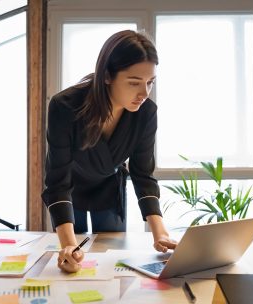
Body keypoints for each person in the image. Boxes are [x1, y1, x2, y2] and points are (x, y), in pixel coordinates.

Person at [41, 29, 177, 273]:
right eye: (134, 82)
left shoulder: (146, 113)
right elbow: (57, 181)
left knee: (110, 262)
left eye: (150, 82)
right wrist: (69, 249)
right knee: (74, 258)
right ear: (106, 76)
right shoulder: (64, 106)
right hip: (69, 189)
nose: (144, 93)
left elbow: (142, 174)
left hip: (109, 187)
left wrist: (160, 232)